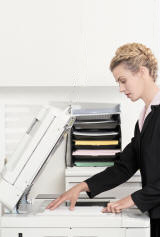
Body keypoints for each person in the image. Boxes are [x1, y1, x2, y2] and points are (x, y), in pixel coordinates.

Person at [47, 42, 160, 237]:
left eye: (123, 80)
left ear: (142, 72)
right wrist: (81, 187)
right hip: (155, 214)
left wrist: (133, 199)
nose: (120, 88)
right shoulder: (144, 119)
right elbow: (123, 168)